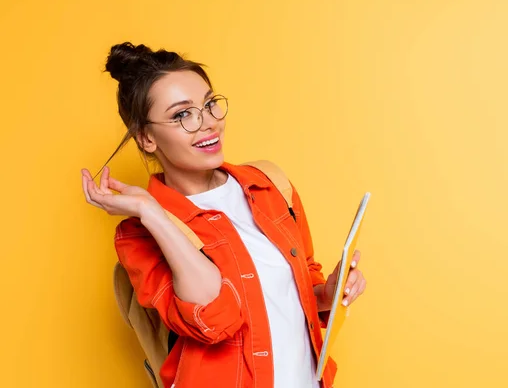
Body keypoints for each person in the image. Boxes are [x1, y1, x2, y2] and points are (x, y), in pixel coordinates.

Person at [81, 42, 367, 388]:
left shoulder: (270, 185)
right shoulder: (139, 235)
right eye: (182, 115)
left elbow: (302, 279)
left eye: (209, 104)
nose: (208, 124)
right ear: (146, 138)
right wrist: (150, 212)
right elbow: (214, 321)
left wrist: (327, 294)